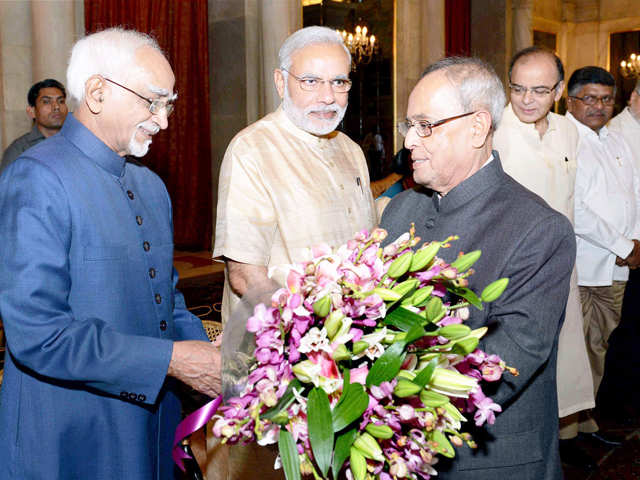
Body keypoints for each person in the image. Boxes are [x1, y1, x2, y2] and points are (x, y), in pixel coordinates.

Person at [0, 28, 221, 480]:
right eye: (152, 102)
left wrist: (210, 353)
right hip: (70, 432)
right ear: (97, 92)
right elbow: (39, 334)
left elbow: (167, 300)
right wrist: (175, 361)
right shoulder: (36, 178)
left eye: (169, 104)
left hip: (150, 424)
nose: (163, 120)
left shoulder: (151, 186)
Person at [380, 56, 575, 479]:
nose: (410, 141)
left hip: (486, 462)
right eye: (408, 125)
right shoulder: (400, 210)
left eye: (425, 125)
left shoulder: (539, 229)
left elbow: (500, 366)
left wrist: (388, 407)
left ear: (477, 126)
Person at [212, 25, 376, 480]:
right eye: (312, 81)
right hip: (277, 360)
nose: (328, 96)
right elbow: (245, 276)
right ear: (281, 82)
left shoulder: (351, 151)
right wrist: (312, 341)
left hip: (347, 353)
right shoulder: (252, 149)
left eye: (339, 82)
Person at [493, 47, 595, 469]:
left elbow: (573, 199)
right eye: (518, 88)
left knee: (561, 367)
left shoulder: (569, 132)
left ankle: (555, 451)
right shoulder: (493, 129)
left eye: (539, 90)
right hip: (513, 272)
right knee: (517, 372)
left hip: (561, 267)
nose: (527, 99)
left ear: (557, 90)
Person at [567, 66, 640, 444]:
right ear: (571, 100)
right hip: (584, 265)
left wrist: (635, 244)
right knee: (578, 351)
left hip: (616, 265)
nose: (599, 106)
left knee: (600, 347)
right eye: (590, 98)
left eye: (606, 99)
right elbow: (575, 209)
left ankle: (585, 424)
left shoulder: (614, 140)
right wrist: (625, 247)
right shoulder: (566, 139)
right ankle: (567, 434)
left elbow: (634, 194)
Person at [1, 78, 68, 172]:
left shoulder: (77, 142)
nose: (56, 107)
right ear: (32, 111)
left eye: (61, 101)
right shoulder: (19, 150)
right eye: (46, 102)